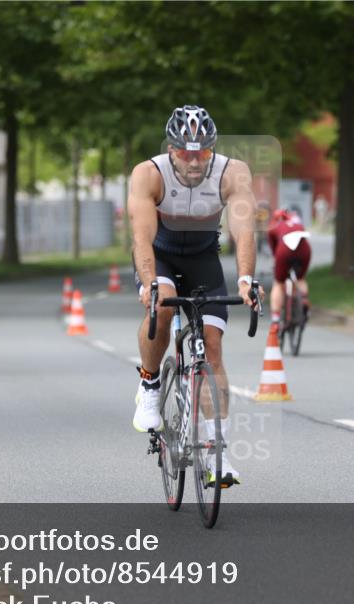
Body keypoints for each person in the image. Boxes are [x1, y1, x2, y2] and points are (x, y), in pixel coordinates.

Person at [128, 104, 262, 488]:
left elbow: (243, 230)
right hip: (162, 257)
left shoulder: (232, 173)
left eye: (202, 152)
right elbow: (141, 236)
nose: (193, 161)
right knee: (165, 308)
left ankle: (218, 454)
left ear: (212, 149)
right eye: (185, 152)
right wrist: (151, 283)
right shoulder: (148, 174)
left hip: (204, 259)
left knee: (213, 349)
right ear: (171, 150)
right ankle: (150, 383)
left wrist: (247, 279)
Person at [267, 208, 311, 331]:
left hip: (284, 251)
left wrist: (277, 263)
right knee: (300, 278)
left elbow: (274, 250)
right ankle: (304, 299)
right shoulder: (298, 224)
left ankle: (275, 319)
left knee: (279, 283)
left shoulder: (273, 227)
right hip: (304, 251)